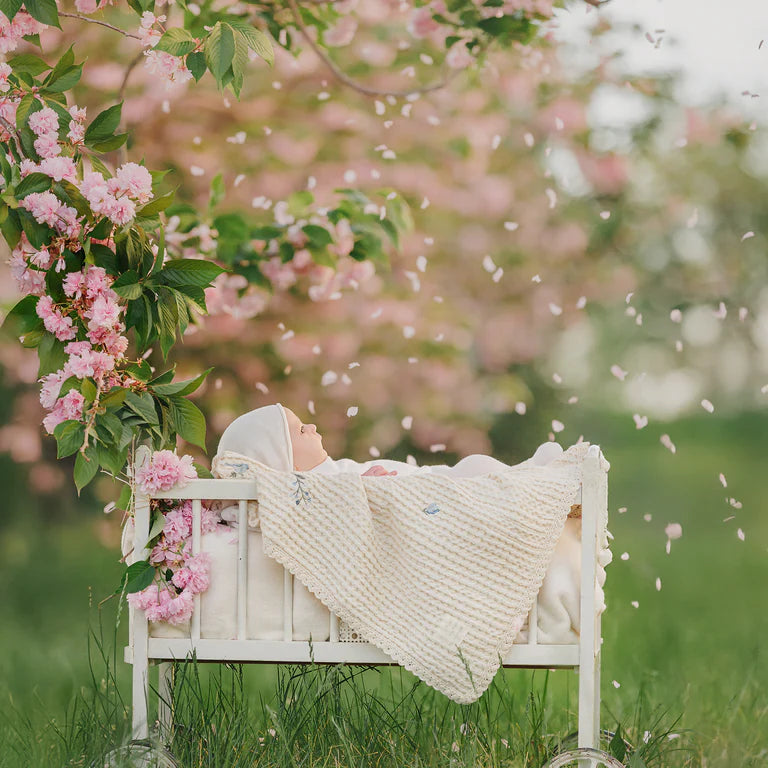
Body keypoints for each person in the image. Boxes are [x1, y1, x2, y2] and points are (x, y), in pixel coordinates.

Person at [215, 402, 566, 478]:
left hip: (429, 484)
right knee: (473, 468)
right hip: (430, 495)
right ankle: (530, 475)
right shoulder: (309, 490)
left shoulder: (326, 471)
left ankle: (527, 472)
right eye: (298, 430)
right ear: (285, 460)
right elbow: (336, 514)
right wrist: (360, 492)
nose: (311, 424)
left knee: (472, 467)